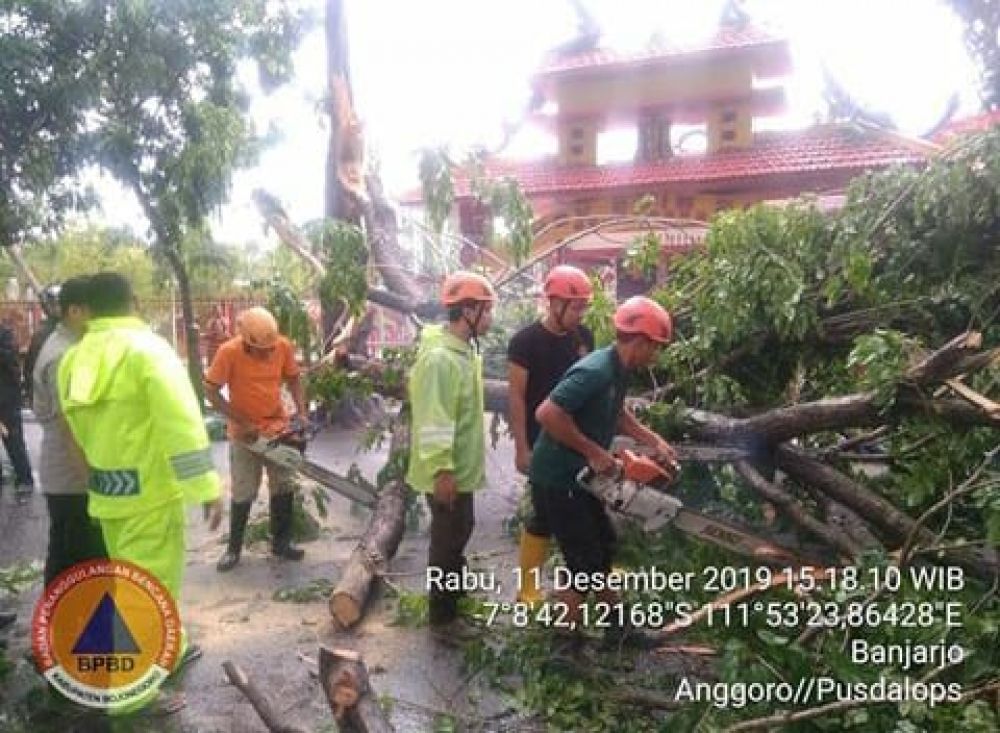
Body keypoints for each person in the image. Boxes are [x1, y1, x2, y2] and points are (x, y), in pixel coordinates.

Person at [58, 272, 222, 675]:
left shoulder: (73, 359)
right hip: (150, 497)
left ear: (90, 308)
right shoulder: (148, 351)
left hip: (108, 494)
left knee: (134, 583)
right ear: (133, 301)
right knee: (143, 596)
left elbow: (75, 432)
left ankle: (174, 647)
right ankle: (128, 696)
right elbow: (181, 426)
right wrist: (206, 487)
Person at [529, 296, 679, 647]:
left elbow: (617, 411)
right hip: (558, 478)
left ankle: (617, 628)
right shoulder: (595, 370)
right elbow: (547, 414)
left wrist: (651, 438)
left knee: (602, 548)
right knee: (583, 563)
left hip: (582, 478)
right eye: (654, 348)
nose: (655, 356)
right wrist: (593, 451)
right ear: (639, 342)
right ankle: (564, 644)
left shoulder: (618, 370)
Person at [407, 271, 494, 640]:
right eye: (487, 311)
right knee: (446, 542)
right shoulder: (442, 360)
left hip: (460, 469)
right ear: (468, 311)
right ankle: (442, 619)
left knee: (460, 532)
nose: (491, 318)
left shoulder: (462, 352)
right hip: (447, 471)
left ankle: (453, 599)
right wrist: (443, 471)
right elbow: (434, 420)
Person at [507, 265, 594, 604]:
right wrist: (521, 448)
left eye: (583, 307)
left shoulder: (583, 338)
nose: (580, 314)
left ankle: (582, 581)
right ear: (554, 303)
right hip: (540, 441)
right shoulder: (525, 342)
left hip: (575, 438)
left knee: (584, 508)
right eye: (576, 307)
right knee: (542, 513)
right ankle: (527, 588)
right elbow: (515, 396)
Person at [205, 306, 308, 572]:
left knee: (283, 485)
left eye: (270, 349)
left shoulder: (282, 346)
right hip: (244, 435)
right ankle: (233, 549)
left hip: (277, 427)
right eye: (261, 349)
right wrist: (240, 421)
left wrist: (302, 414)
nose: (267, 353)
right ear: (246, 340)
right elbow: (211, 391)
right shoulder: (228, 352)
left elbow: (294, 379)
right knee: (243, 491)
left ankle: (281, 543)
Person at [32, 277, 107, 587]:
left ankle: (64, 626)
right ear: (75, 311)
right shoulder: (64, 355)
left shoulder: (70, 344)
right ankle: (61, 627)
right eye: (95, 310)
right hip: (70, 474)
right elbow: (68, 425)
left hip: (68, 470)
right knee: (74, 558)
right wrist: (90, 479)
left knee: (72, 555)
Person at [0, 318, 34, 501]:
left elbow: (12, 364)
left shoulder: (5, 335)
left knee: (13, 441)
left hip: (5, 399)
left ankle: (25, 480)